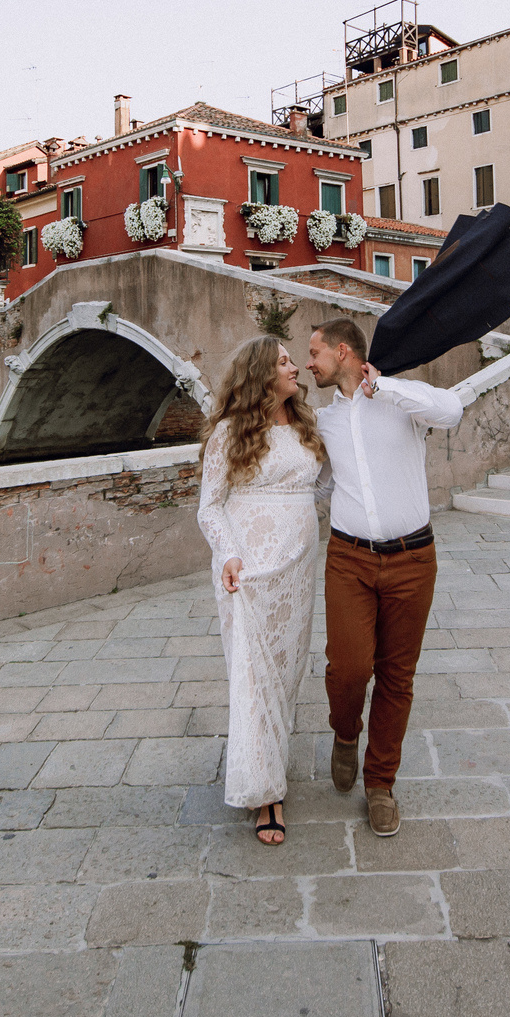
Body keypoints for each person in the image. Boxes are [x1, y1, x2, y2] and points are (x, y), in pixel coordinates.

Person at [304, 318, 462, 837]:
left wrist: (386, 386)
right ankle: (345, 733)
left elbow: (453, 409)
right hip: (349, 559)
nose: (310, 363)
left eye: (315, 353)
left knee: (397, 677)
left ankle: (380, 784)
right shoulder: (324, 423)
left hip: (413, 561)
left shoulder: (401, 400)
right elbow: (320, 487)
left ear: (343, 351)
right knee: (347, 669)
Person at [195, 336, 329, 847]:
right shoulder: (230, 432)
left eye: (294, 359)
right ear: (261, 375)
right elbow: (210, 506)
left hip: (296, 571)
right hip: (246, 570)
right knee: (254, 676)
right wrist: (228, 553)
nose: (295, 367)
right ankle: (265, 792)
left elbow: (319, 489)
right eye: (284, 362)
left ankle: (269, 759)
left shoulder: (305, 426)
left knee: (287, 672)